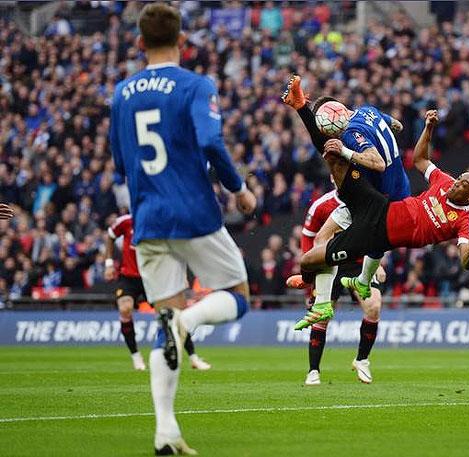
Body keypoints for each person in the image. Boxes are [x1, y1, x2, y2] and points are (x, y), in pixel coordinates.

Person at [109, 4, 256, 455]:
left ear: (139, 43)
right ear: (182, 41)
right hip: (193, 212)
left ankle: (165, 432)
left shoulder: (122, 92)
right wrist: (239, 188)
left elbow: (119, 164)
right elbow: (210, 141)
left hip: (148, 218)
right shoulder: (195, 85)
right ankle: (188, 322)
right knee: (238, 295)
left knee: (163, 321)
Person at [296, 110, 469, 330]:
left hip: (374, 234)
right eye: (460, 178)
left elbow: (466, 261)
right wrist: (429, 128)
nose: (456, 183)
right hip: (380, 205)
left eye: (463, 184)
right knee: (335, 159)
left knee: (307, 261)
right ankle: (302, 107)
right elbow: (420, 159)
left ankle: (317, 290)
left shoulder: (466, 219)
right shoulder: (444, 181)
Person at [282, 75, 409, 326]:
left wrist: (346, 149)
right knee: (322, 237)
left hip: (378, 201)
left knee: (334, 156)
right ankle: (322, 302)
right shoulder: (367, 111)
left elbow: (378, 163)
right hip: (393, 189)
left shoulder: (351, 135)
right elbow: (398, 126)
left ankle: (318, 293)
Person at [296, 187, 385, 385]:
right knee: (322, 316)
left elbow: (378, 233)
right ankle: (313, 371)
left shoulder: (367, 200)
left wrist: (379, 263)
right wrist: (310, 272)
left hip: (359, 263)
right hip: (329, 263)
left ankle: (362, 360)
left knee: (374, 306)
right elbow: (307, 236)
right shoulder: (321, 205)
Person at [105, 214, 212, 371]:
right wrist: (108, 263)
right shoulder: (127, 221)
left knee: (175, 314)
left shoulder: (162, 223)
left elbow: (178, 250)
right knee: (125, 308)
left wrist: (181, 276)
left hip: (152, 276)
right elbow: (110, 235)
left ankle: (193, 357)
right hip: (129, 277)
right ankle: (136, 357)